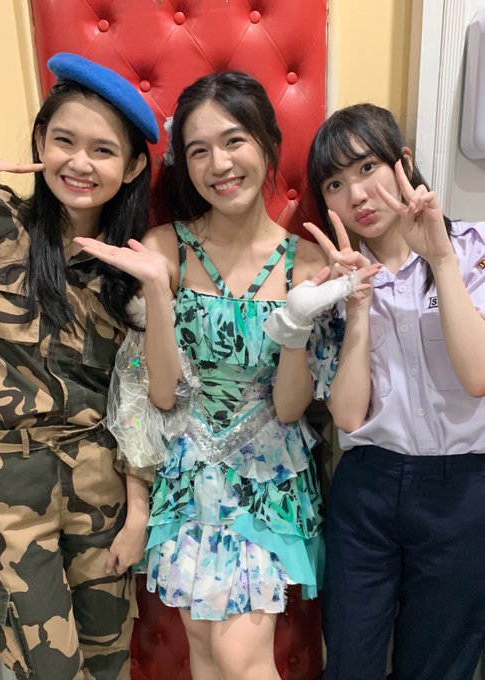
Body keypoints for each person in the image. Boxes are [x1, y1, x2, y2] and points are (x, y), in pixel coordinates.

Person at [75, 71, 379, 680]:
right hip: (187, 476)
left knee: (241, 656)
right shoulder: (165, 248)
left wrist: (295, 324)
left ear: (267, 143)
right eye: (198, 151)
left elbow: (290, 409)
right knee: (207, 653)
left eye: (234, 140)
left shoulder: (307, 263)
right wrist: (156, 291)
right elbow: (162, 396)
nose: (219, 164)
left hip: (268, 479)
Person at [0, 52, 159, 680]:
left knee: (109, 664)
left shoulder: (131, 266)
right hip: (7, 487)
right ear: (39, 142)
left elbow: (142, 400)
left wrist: (138, 510)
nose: (80, 163)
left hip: (104, 484)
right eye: (64, 141)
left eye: (103, 150)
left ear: (132, 167)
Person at [306, 102, 485, 680]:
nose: (356, 194)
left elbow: (478, 377)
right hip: (368, 487)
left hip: (463, 488)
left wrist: (440, 259)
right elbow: (348, 417)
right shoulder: (332, 280)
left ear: (403, 163)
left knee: (440, 665)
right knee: (350, 662)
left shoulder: (473, 249)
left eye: (367, 168)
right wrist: (356, 308)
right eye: (335, 184)